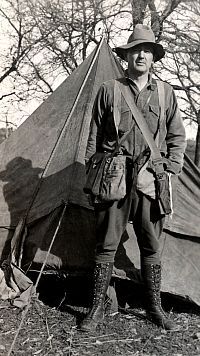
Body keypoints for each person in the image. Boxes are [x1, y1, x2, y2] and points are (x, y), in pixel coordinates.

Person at [79, 24, 186, 332]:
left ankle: (155, 308)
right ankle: (96, 309)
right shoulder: (110, 89)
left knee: (151, 245)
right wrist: (92, 171)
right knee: (106, 244)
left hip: (151, 177)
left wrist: (171, 166)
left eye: (147, 51)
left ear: (153, 58)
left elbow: (177, 136)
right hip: (113, 176)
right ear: (126, 56)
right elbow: (94, 136)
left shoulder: (166, 93)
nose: (141, 55)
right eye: (136, 50)